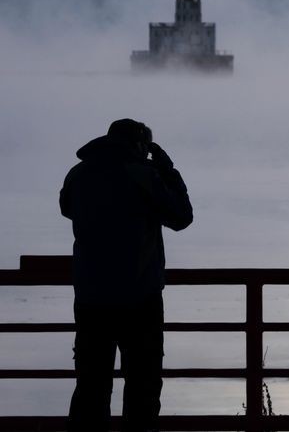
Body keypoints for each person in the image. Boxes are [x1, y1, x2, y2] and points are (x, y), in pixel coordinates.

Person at [59, 119, 193, 431]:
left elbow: (66, 207)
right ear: (139, 146)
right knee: (142, 392)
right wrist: (167, 171)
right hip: (140, 299)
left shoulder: (79, 174)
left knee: (91, 390)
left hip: (91, 300)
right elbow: (181, 216)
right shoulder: (144, 176)